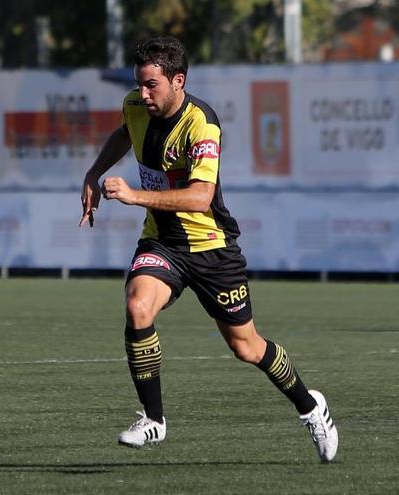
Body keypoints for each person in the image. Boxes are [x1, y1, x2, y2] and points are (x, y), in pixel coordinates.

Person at [79, 36, 338, 462]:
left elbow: (201, 196)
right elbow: (125, 134)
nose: (142, 95)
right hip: (163, 242)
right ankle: (154, 420)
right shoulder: (134, 106)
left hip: (211, 247)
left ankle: (311, 408)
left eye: (151, 86)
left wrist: (132, 194)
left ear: (177, 81)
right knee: (138, 306)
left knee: (247, 347)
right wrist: (94, 172)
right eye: (139, 85)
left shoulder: (202, 124)